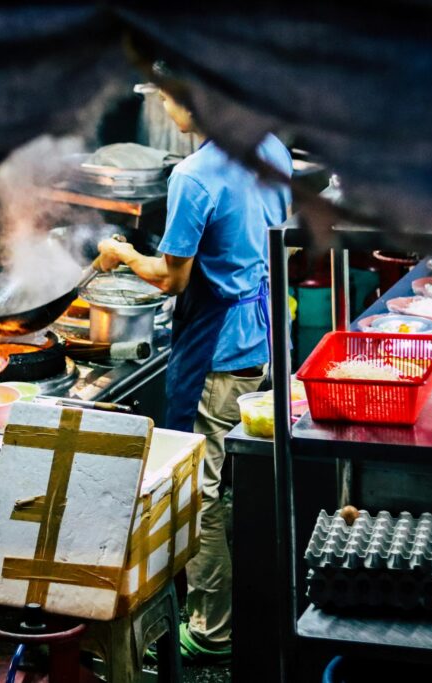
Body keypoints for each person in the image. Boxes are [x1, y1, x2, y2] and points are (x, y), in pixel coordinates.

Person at [96, 81, 292, 664]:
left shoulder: (194, 176)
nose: (163, 106)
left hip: (219, 353)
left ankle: (212, 630)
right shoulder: (269, 147)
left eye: (167, 97)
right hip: (266, 337)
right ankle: (261, 601)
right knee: (244, 480)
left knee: (199, 491)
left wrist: (123, 255)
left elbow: (173, 279)